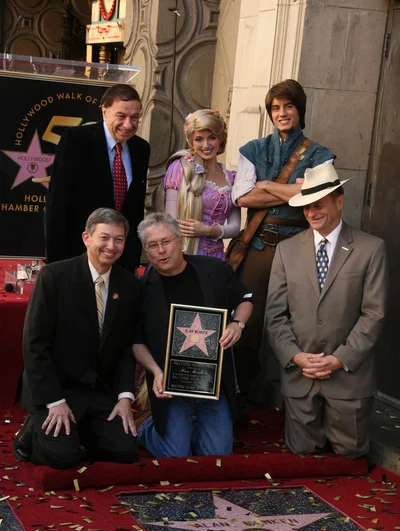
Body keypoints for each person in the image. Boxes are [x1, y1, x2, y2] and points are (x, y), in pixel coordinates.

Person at [265, 164, 388, 458]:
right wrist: (295, 356)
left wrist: (338, 359)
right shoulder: (286, 250)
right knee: (303, 453)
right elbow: (275, 315)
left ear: (339, 200)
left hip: (348, 377)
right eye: (306, 206)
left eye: (318, 205)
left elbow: (374, 314)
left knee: (350, 455)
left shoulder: (371, 249)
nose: (311, 213)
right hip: (300, 375)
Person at [14, 208, 142, 469]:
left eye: (119, 239)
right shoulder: (55, 277)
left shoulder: (129, 285)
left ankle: (77, 430)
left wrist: (125, 397)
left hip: (96, 391)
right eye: (104, 237)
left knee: (126, 451)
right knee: (63, 458)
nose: (111, 246)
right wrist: (54, 401)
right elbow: (35, 344)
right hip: (56, 387)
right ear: (86, 238)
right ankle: (28, 435)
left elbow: (125, 348)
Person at [232, 79, 335, 402]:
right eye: (275, 108)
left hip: (301, 247)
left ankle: (294, 397)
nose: (282, 113)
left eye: (288, 106)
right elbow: (242, 198)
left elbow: (313, 196)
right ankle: (241, 395)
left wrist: (268, 185)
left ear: (299, 109)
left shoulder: (320, 154)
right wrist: (292, 191)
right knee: (248, 320)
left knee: (300, 322)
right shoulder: (253, 149)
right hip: (259, 245)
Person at [132, 213, 253, 458]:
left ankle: (191, 430)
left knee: (217, 457)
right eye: (152, 245)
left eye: (166, 242)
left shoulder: (214, 270)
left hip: (213, 384)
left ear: (180, 241)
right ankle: (146, 428)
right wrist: (155, 372)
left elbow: (245, 300)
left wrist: (237, 325)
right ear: (146, 250)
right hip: (171, 386)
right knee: (177, 457)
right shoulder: (142, 289)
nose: (161, 250)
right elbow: (136, 341)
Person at [45, 84, 150, 273]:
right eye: (121, 116)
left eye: (134, 117)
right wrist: (56, 266)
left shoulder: (141, 149)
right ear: (104, 112)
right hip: (78, 258)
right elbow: (57, 205)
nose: (128, 124)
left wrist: (133, 260)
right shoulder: (76, 141)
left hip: (121, 262)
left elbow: (134, 209)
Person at [164, 109, 240, 259]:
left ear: (221, 138)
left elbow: (236, 228)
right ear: (191, 141)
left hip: (216, 257)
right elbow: (170, 222)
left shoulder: (232, 178)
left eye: (212, 138)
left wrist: (207, 230)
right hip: (185, 254)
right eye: (199, 139)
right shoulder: (180, 168)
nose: (206, 145)